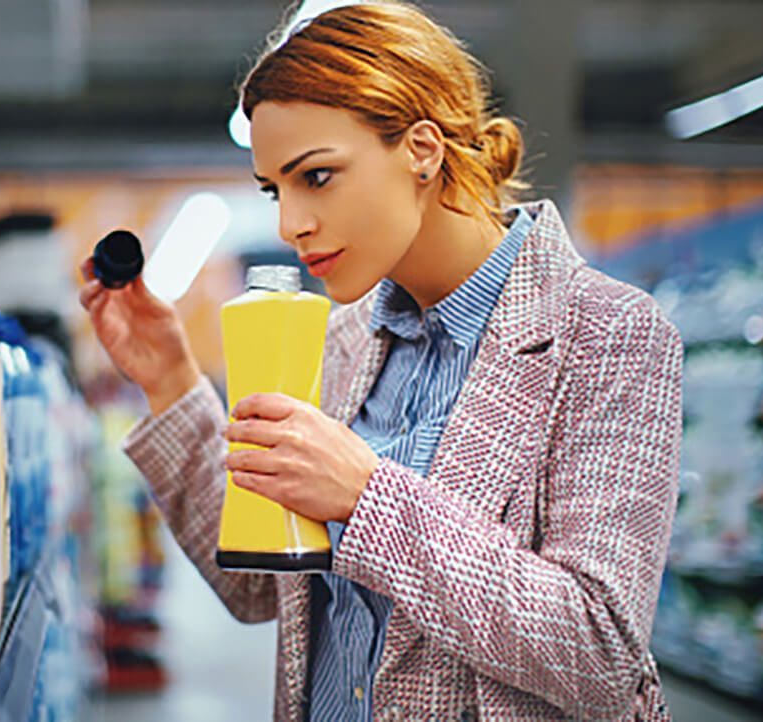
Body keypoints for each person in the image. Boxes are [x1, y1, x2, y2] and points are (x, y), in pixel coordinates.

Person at [78, 2, 682, 720]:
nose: (289, 223)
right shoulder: (342, 340)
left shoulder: (607, 333)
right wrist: (170, 380)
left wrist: (368, 500)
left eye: (318, 177)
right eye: (276, 188)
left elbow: (600, 650)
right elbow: (258, 586)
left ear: (423, 149)